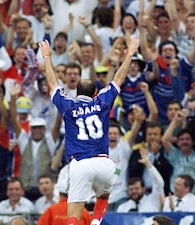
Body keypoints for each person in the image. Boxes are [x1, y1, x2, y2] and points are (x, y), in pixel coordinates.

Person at [39, 36, 139, 225]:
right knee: (103, 196)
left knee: (74, 213)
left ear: (77, 94)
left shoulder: (68, 106)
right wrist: (130, 54)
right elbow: (118, 78)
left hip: (80, 164)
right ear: (95, 94)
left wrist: (47, 57)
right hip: (104, 163)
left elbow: (53, 84)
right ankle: (95, 222)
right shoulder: (102, 102)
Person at [116, 144, 165, 213]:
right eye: (131, 189)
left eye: (136, 188)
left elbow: (159, 183)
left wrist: (148, 164)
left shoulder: (153, 200)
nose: (134, 191)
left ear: (144, 189)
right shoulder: (122, 208)